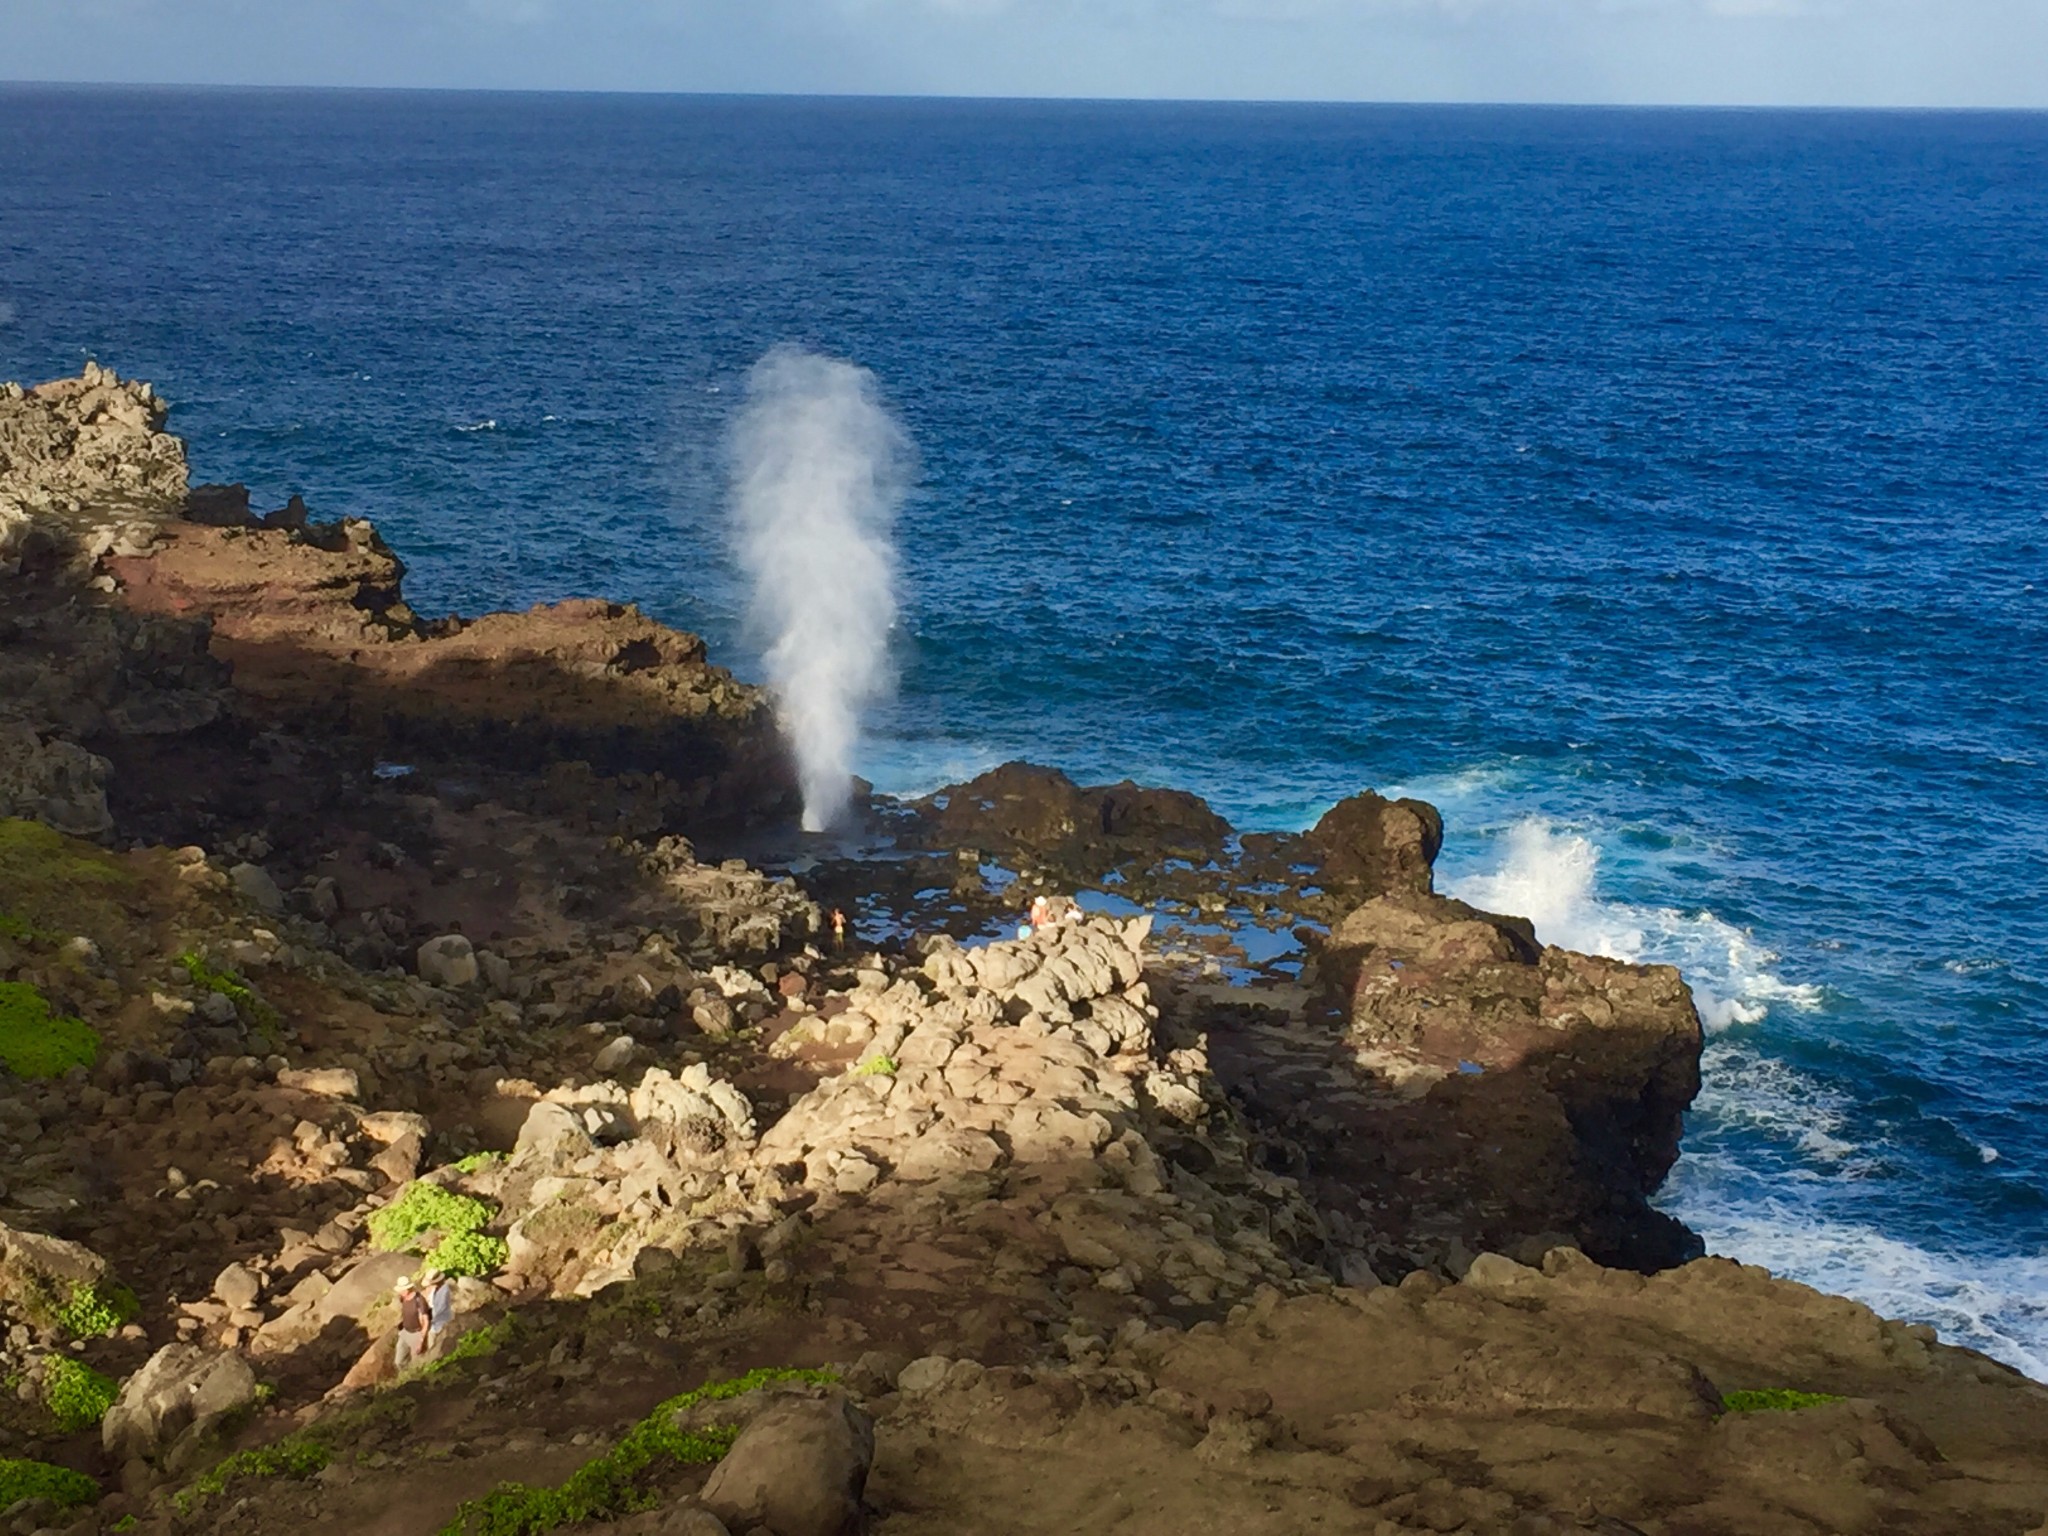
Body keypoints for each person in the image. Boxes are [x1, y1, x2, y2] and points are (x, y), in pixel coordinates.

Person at [393, 1276, 428, 1370]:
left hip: (416, 1333)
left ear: (408, 1288)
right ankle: (404, 1376)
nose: (400, 1292)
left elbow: (425, 1321)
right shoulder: (403, 1298)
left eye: (402, 1290)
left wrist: (421, 1340)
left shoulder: (419, 1300)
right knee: (399, 1361)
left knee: (417, 1363)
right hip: (405, 1332)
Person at [423, 1270, 455, 1356]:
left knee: (436, 1346)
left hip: (442, 1322)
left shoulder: (445, 1291)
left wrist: (428, 1316)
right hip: (435, 1322)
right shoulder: (436, 1289)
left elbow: (440, 1308)